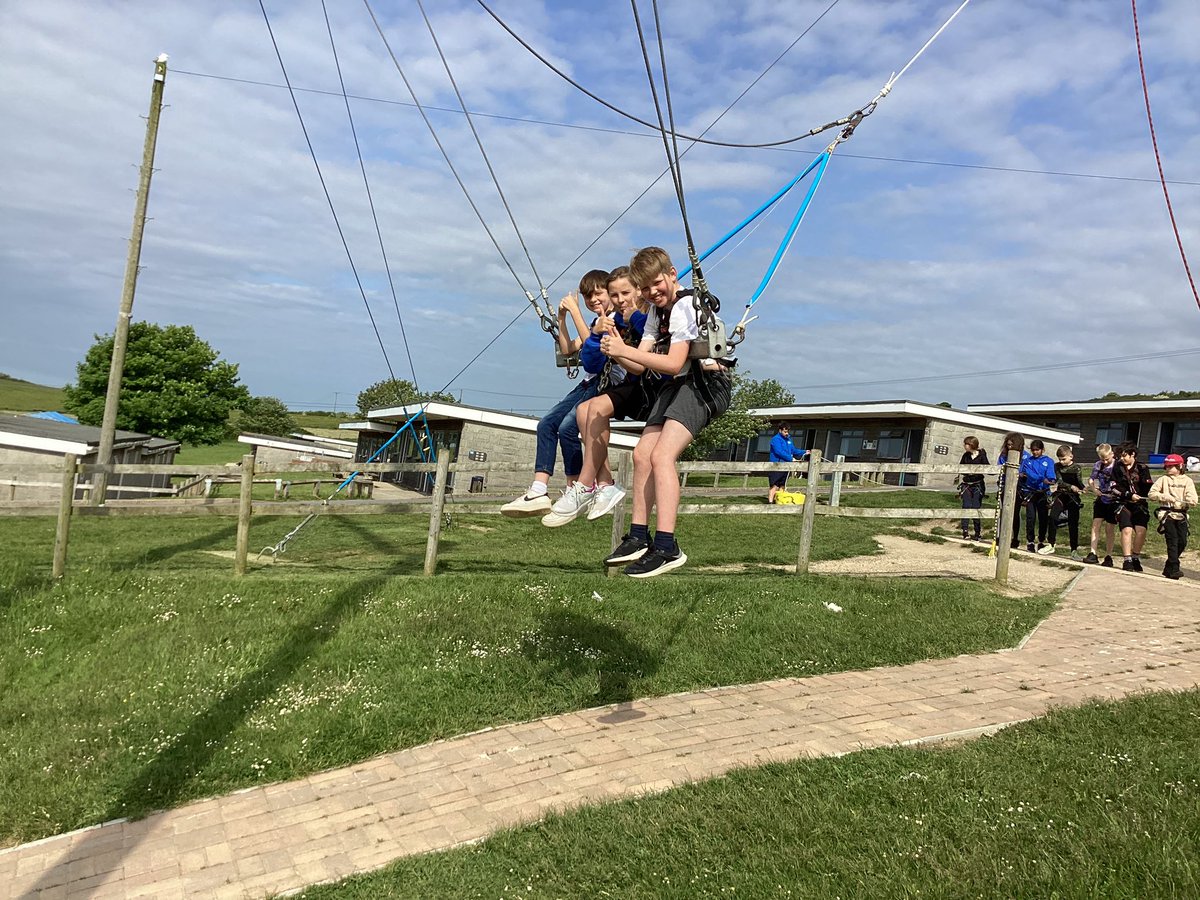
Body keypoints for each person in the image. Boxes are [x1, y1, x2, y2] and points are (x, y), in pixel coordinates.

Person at [599, 246, 733, 577]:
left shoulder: (685, 305)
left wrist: (625, 350)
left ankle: (667, 546)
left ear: (672, 274)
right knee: (642, 454)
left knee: (662, 456)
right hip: (679, 383)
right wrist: (617, 349)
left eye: (656, 283)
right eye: (645, 288)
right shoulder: (657, 314)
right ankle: (639, 536)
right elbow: (639, 366)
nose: (652, 292)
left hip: (704, 384)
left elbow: (673, 363)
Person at [542, 266, 650, 526]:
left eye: (624, 293)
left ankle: (583, 484)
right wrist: (569, 321)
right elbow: (580, 354)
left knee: (570, 425)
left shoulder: (641, 316)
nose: (619, 300)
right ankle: (597, 484)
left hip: (638, 387)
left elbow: (639, 358)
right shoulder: (607, 321)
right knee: (576, 415)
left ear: (638, 291)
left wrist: (582, 316)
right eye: (615, 295)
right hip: (614, 383)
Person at [501, 270, 612, 518]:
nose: (594, 299)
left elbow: (593, 346)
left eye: (599, 294)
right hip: (587, 383)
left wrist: (576, 311)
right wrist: (562, 318)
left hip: (602, 382)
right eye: (588, 297)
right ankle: (538, 489)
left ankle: (575, 488)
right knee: (546, 424)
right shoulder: (595, 324)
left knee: (567, 428)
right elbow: (567, 348)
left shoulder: (612, 321)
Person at [1148, 453, 1197, 579]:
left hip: (1181, 515)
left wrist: (1190, 500)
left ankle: (1168, 567)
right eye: (1167, 466)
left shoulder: (1188, 481)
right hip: (1167, 514)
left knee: (1182, 541)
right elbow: (1151, 494)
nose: (1168, 469)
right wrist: (1163, 496)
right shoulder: (1163, 479)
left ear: (1180, 466)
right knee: (1172, 541)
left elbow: (1192, 496)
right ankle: (1175, 568)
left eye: (1171, 466)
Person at [1110, 442, 1153, 572]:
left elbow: (1148, 486)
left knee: (1141, 531)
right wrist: (1128, 495)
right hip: (1123, 503)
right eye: (1120, 456)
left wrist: (1150, 494)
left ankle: (1135, 557)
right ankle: (1127, 559)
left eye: (1124, 456)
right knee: (1127, 530)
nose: (1122, 459)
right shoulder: (1117, 468)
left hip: (1140, 504)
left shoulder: (1142, 468)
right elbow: (1114, 487)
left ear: (1132, 454)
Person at [1045, 444, 1085, 559]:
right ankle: (1051, 544)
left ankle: (1074, 550)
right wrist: (1071, 486)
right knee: (1053, 517)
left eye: (1064, 459)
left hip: (1073, 498)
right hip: (1061, 495)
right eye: (1060, 459)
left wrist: (1083, 489)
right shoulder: (1057, 466)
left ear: (1071, 456)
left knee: (1073, 524)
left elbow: (1079, 482)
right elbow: (1060, 481)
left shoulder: (1077, 468)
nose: (1061, 462)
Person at [1084, 443, 1118, 566]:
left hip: (1113, 499)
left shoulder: (1117, 465)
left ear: (1112, 454)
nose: (1105, 461)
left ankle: (1108, 555)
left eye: (1107, 459)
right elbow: (1091, 479)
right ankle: (1093, 552)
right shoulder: (1098, 465)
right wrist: (1094, 489)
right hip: (1101, 497)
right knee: (1095, 524)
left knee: (1109, 528)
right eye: (1102, 459)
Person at [1020, 440, 1056, 553]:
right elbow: (1027, 473)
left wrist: (1050, 480)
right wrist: (1041, 478)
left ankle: (1041, 540)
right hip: (1030, 492)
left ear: (1042, 450)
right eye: (1033, 450)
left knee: (1043, 518)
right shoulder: (1027, 461)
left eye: (1037, 450)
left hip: (1043, 492)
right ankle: (1030, 541)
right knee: (1030, 518)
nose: (1035, 452)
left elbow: (1051, 475)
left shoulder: (1048, 461)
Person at [996, 432, 1030, 550]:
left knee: (1015, 513)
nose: (1009, 447)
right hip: (1005, 486)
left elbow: (1027, 472)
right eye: (1008, 445)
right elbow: (1000, 467)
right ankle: (1001, 536)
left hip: (1019, 488)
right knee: (1002, 511)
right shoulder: (1003, 455)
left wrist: (1021, 475)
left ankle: (1015, 538)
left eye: (1012, 445)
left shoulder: (1026, 457)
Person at [957, 435, 989, 541]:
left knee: (976, 507)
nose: (965, 446)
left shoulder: (982, 455)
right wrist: (967, 472)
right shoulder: (965, 455)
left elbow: (987, 467)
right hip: (967, 484)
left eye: (967, 444)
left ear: (972, 445)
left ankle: (977, 532)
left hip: (978, 484)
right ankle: (965, 531)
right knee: (966, 506)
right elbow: (960, 467)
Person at [767, 424, 808, 504]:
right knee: (774, 485)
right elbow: (779, 452)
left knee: (782, 484)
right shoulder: (775, 439)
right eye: (785, 432)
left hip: (786, 466)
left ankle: (780, 501)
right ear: (780, 430)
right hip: (776, 465)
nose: (787, 433)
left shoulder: (788, 440)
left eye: (787, 432)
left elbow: (793, 450)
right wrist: (790, 458)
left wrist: (804, 452)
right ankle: (770, 502)